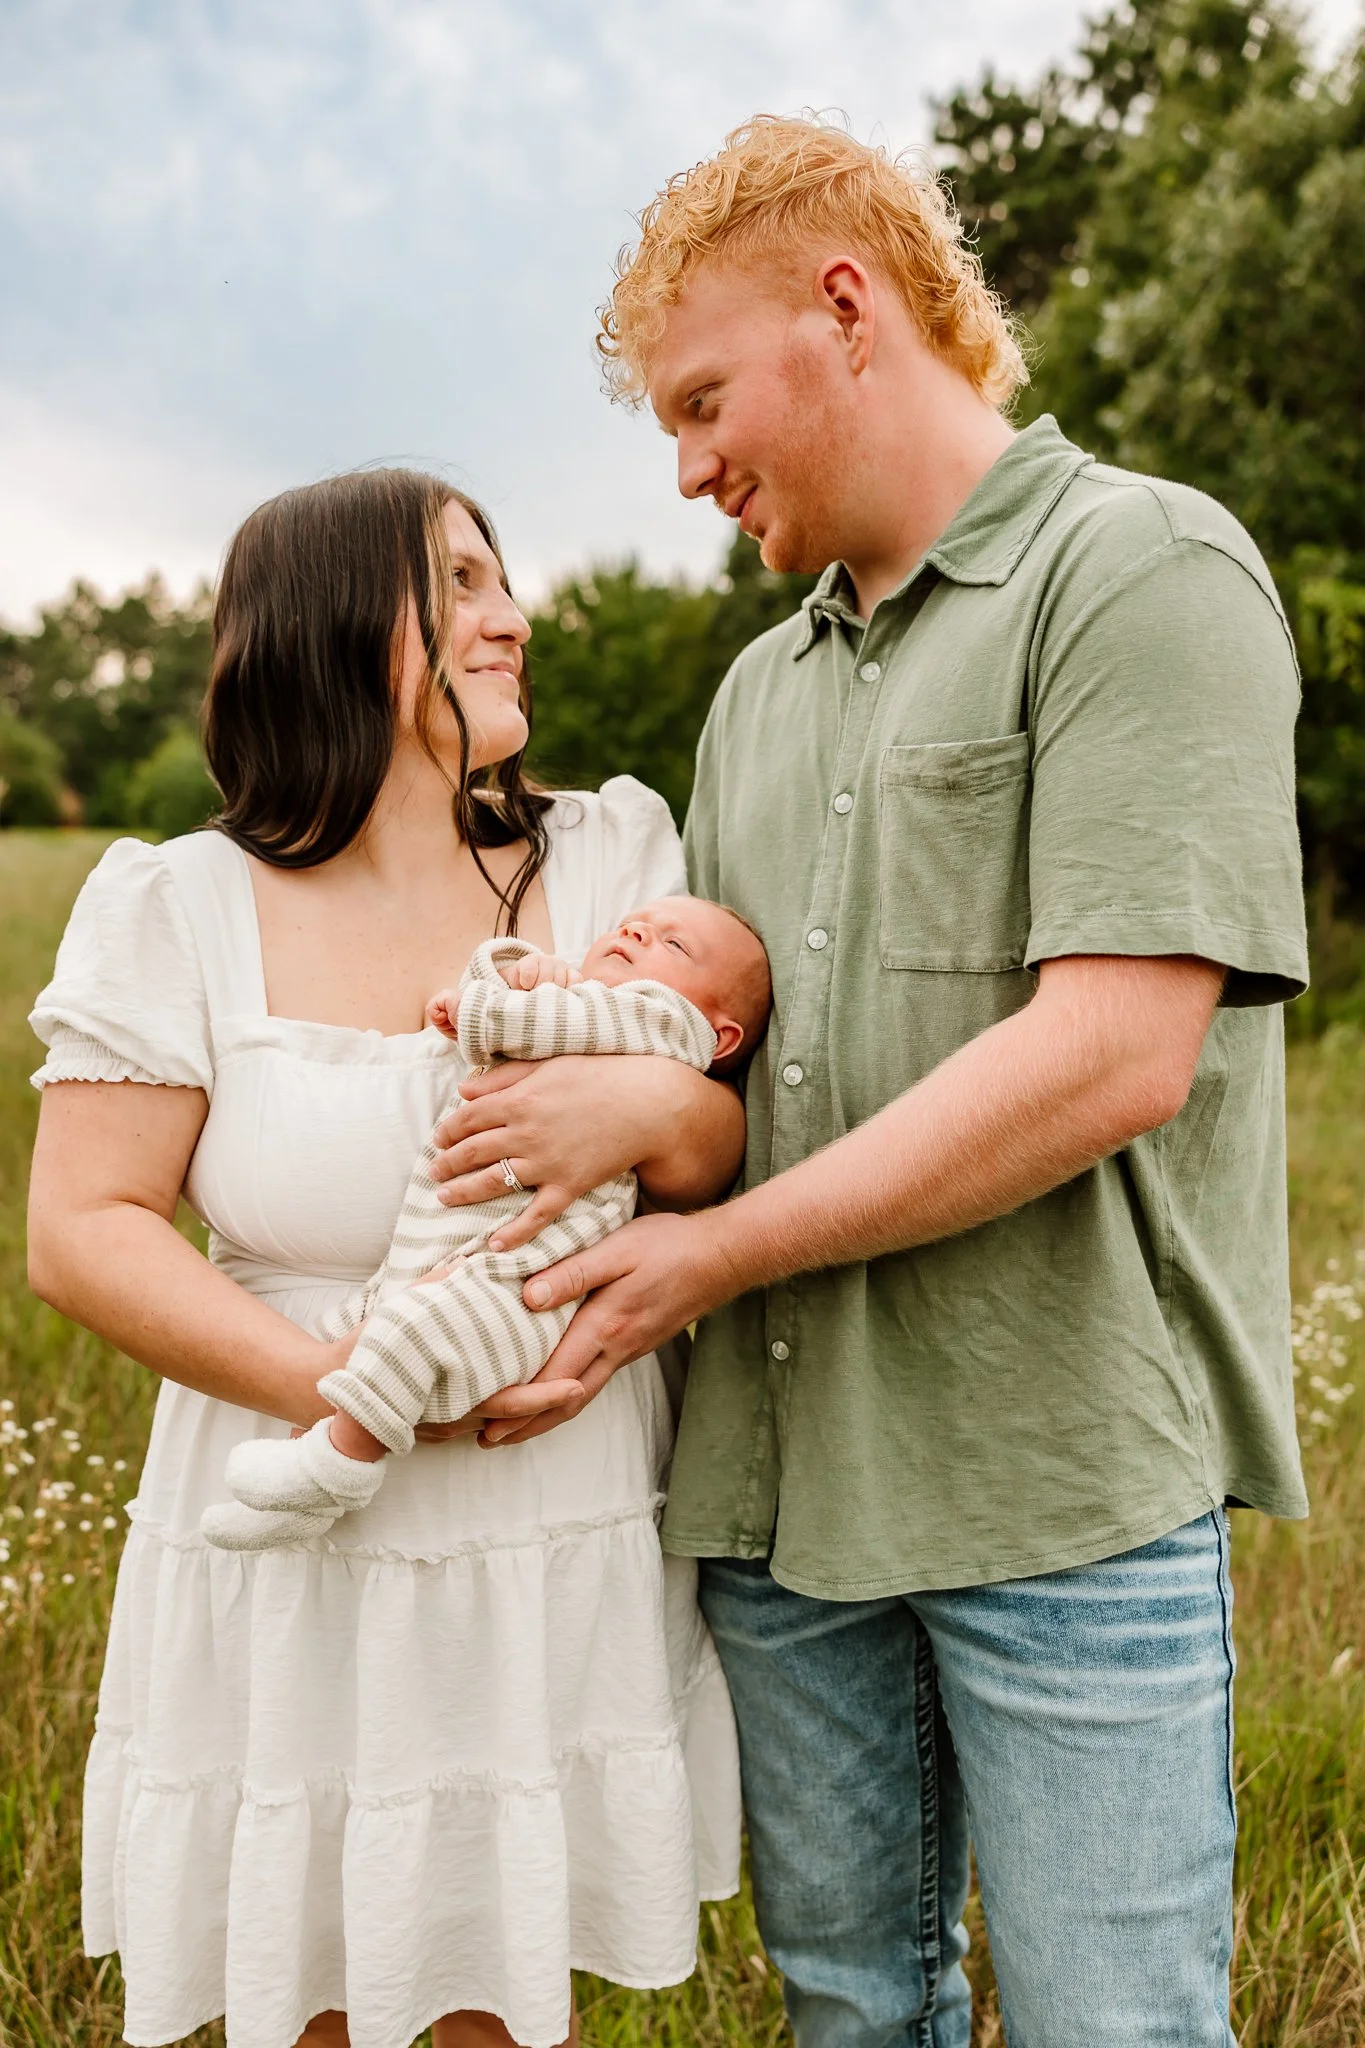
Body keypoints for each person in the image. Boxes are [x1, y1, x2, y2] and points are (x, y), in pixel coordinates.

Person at [450, 118, 1310, 2046]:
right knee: (854, 2005)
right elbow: (729, 1060)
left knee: (1116, 2020)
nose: (685, 470)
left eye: (700, 399)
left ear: (848, 307)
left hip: (1059, 1486)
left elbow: (1113, 1051)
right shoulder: (757, 691)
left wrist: (713, 1249)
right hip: (786, 1497)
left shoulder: (1139, 570)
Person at [26, 469, 742, 2048]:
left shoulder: (612, 857)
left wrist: (648, 1105)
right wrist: (355, 1391)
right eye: (464, 584)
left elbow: (712, 1149)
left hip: (543, 1521)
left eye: (505, 576)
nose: (515, 617)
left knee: (496, 1980)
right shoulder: (180, 904)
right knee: (317, 1989)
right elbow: (81, 1234)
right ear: (342, 626)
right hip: (302, 1520)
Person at [200, 903, 770, 1549]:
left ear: (720, 1037)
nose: (637, 933)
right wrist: (511, 972)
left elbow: (527, 1022)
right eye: (633, 923)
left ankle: (337, 1469)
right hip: (450, 1263)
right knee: (352, 1336)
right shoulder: (581, 1008)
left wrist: (483, 1002)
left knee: (411, 1336)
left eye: (673, 944)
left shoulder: (662, 1028)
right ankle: (300, 1485)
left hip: (517, 1285)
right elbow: (526, 1008)